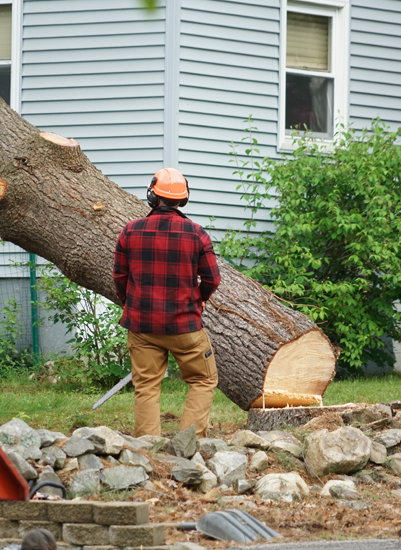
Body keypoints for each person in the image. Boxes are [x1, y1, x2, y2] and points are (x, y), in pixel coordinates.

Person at [113, 167, 221, 438]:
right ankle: (189, 444)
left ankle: (147, 450)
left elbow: (119, 277)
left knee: (146, 386)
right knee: (203, 379)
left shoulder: (130, 231)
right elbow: (212, 279)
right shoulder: (197, 234)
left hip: (142, 326)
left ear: (152, 195)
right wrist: (199, 299)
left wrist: (133, 304)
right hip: (184, 326)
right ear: (183, 199)